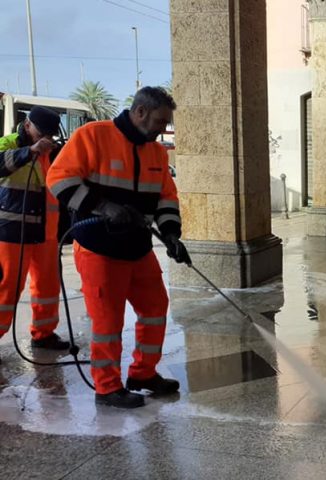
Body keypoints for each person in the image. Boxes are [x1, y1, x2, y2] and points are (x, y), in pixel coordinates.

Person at [47, 87, 190, 409]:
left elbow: (166, 196)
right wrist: (103, 206)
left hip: (138, 248)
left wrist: (170, 234)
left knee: (154, 310)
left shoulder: (156, 153)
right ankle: (107, 387)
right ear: (140, 112)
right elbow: (59, 179)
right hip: (99, 247)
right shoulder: (93, 136)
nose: (162, 129)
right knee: (107, 323)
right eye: (159, 121)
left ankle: (143, 374)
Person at [0, 106, 71, 360]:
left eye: (51, 135)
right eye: (43, 133)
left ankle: (44, 335)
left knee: (48, 286)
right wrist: (27, 152)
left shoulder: (53, 151)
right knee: (6, 288)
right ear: (27, 124)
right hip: (11, 232)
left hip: (46, 232)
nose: (48, 139)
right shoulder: (7, 143)